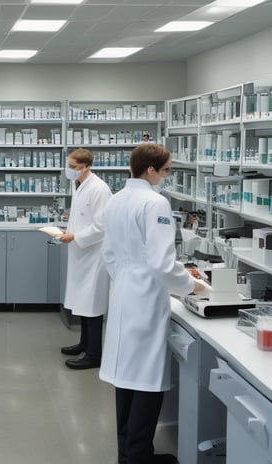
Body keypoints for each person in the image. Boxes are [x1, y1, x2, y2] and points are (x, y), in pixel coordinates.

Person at [99, 144, 206, 464]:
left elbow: (108, 254)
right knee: (145, 380)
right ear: (150, 170)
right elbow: (161, 264)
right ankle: (139, 456)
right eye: (166, 170)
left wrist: (128, 279)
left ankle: (127, 452)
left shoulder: (116, 200)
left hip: (123, 292)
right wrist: (192, 284)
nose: (166, 175)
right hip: (145, 297)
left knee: (126, 378)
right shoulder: (155, 202)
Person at [58, 148, 112, 370]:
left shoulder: (99, 189)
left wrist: (76, 236)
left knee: (92, 304)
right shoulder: (78, 184)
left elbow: (101, 226)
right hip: (80, 251)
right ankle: (84, 343)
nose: (69, 170)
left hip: (93, 253)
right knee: (82, 301)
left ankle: (94, 354)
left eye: (73, 167)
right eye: (68, 165)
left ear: (86, 166)